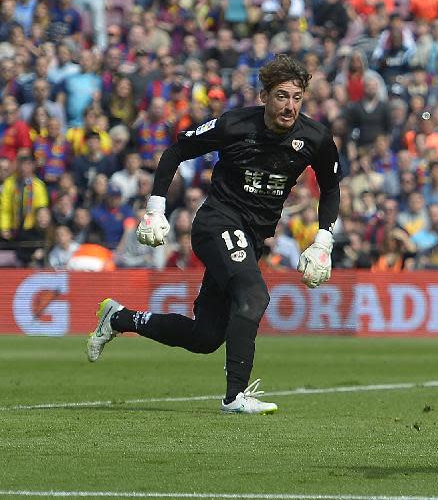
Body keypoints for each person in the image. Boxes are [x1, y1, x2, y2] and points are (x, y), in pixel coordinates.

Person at [85, 55, 342, 414]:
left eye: (297, 97)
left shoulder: (314, 137)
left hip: (252, 238)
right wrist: (156, 208)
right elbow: (177, 150)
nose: (290, 106)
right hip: (217, 222)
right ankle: (235, 397)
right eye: (282, 96)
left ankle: (119, 318)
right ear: (264, 96)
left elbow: (331, 188)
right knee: (253, 296)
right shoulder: (235, 125)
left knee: (205, 337)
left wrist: (323, 241)